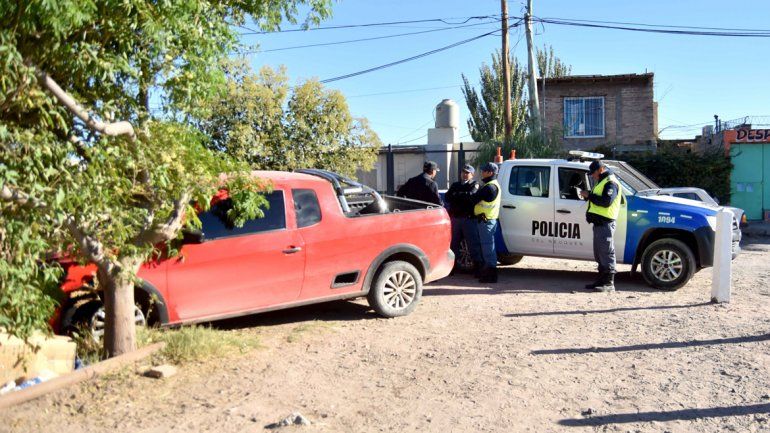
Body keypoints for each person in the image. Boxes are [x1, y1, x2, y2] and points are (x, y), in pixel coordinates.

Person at [579, 160, 623, 292]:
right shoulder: (602, 181)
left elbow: (606, 202)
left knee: (607, 252)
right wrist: (588, 196)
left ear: (601, 169)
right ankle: (601, 280)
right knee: (599, 254)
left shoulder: (610, 182)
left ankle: (609, 283)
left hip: (605, 223)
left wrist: (589, 195)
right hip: (599, 224)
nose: (592, 176)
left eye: (594, 173)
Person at [470, 162, 501, 283]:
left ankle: (491, 275)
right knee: (488, 247)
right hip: (487, 221)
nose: (482, 172)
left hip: (486, 221)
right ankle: (488, 273)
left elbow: (473, 199)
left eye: (484, 170)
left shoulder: (489, 187)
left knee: (488, 249)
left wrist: (475, 190)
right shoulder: (492, 185)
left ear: (490, 172)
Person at [445, 164, 480, 271]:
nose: (464, 174)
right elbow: (447, 197)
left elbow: (471, 196)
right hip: (456, 219)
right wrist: (461, 195)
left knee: (473, 245)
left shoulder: (475, 184)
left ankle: (477, 268)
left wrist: (457, 195)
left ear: (472, 175)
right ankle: (452, 268)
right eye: (463, 172)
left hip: (468, 219)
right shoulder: (455, 184)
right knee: (454, 245)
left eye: (467, 173)